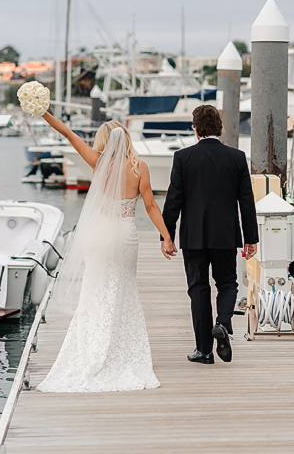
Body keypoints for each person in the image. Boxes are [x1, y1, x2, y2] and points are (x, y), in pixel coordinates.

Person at [35, 112, 170, 392]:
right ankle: (119, 347)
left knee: (95, 289)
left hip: (98, 237)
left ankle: (93, 345)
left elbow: (68, 133)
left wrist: (44, 111)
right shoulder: (140, 168)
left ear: (104, 142)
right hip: (124, 235)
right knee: (123, 287)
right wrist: (166, 236)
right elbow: (151, 207)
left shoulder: (98, 163)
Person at [161, 104, 259, 364]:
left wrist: (166, 236)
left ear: (196, 130)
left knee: (198, 289)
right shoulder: (236, 157)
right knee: (227, 283)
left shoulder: (183, 158)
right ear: (220, 128)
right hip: (226, 234)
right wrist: (251, 238)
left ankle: (204, 351)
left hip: (193, 235)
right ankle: (223, 323)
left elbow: (173, 200)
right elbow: (246, 201)